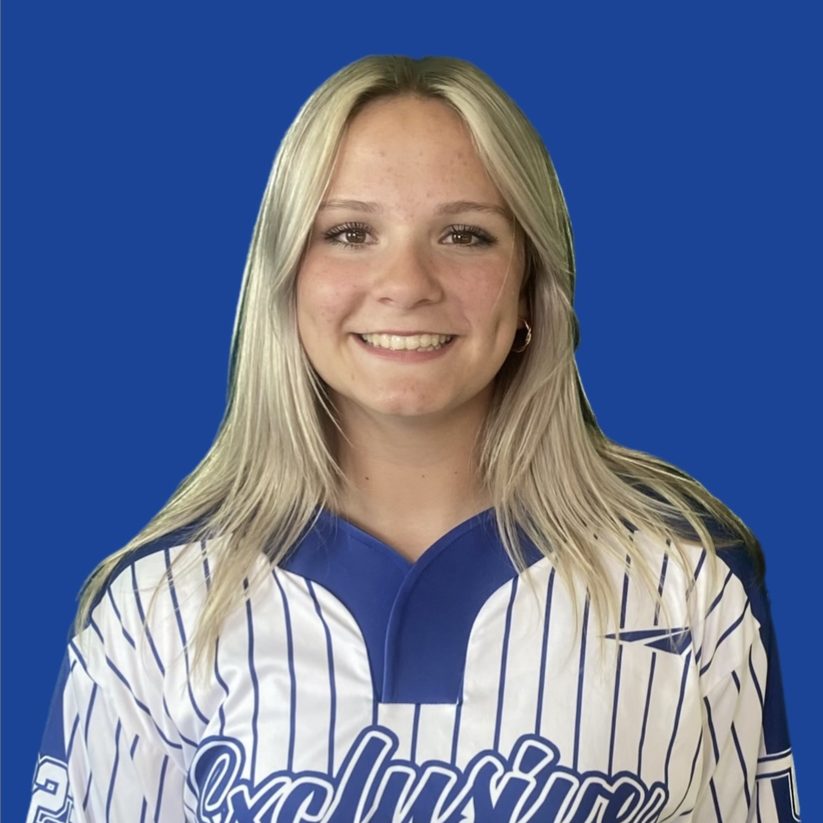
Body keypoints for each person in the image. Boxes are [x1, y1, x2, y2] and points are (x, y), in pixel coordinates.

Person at [27, 55, 799, 822]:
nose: (406, 283)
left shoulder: (688, 581)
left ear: (531, 283)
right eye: (350, 232)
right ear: (286, 279)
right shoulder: (154, 609)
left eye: (464, 234)